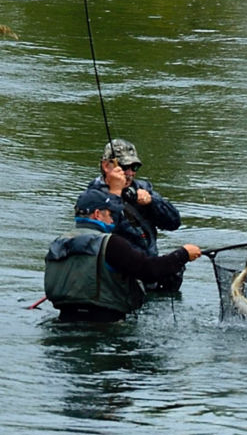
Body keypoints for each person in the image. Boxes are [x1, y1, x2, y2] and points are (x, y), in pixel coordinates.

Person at [45, 188, 201, 323]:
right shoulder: (112, 243)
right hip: (107, 326)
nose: (113, 219)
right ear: (97, 214)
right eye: (110, 214)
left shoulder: (59, 242)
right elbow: (149, 271)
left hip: (64, 320)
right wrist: (183, 255)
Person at [87, 138, 184, 293]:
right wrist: (115, 194)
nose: (130, 173)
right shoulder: (93, 197)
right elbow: (100, 232)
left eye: (135, 167)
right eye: (125, 167)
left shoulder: (142, 188)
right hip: (117, 278)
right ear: (106, 166)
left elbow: (174, 222)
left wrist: (152, 202)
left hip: (149, 272)